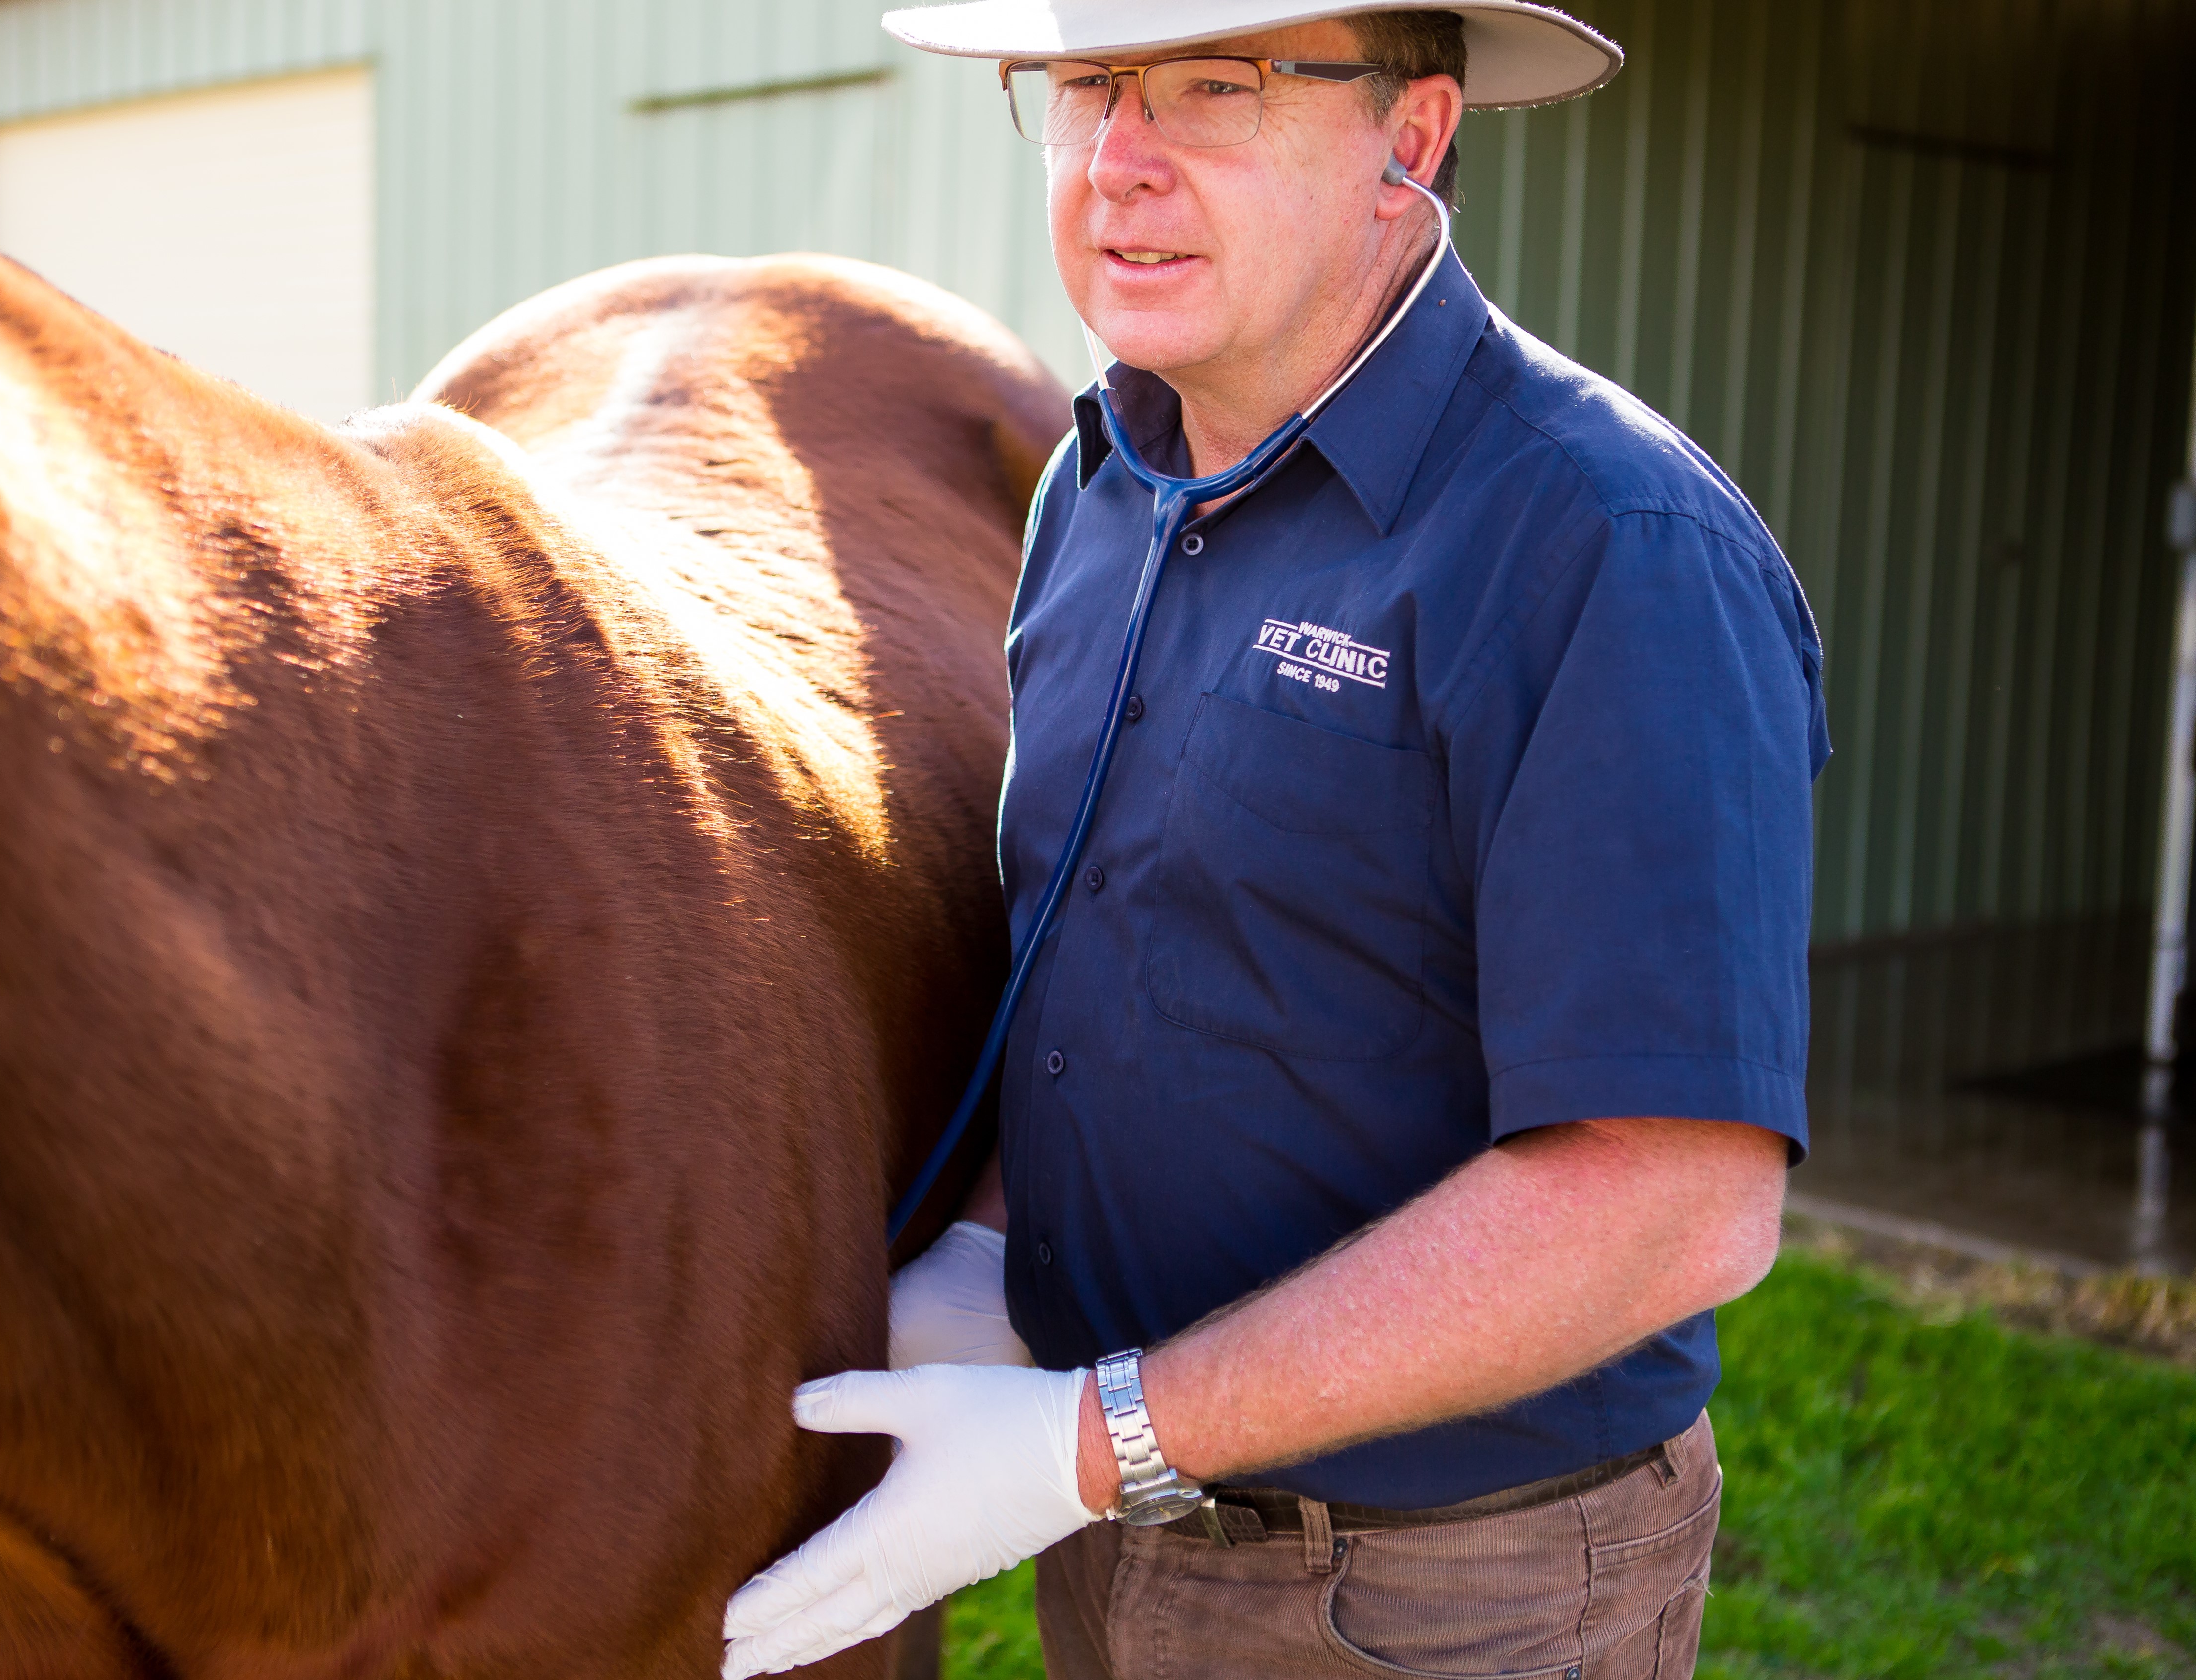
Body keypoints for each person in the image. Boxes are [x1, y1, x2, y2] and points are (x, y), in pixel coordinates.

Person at [722, 3, 1830, 1676]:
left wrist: (1090, 1443)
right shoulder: (1098, 489)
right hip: (1122, 1540)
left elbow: (1672, 1201)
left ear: (1414, 141)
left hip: (1456, 1591)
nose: (1120, 164)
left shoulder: (1606, 542)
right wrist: (985, 1252)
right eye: (1088, 89)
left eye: (1218, 91)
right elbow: (1112, 943)